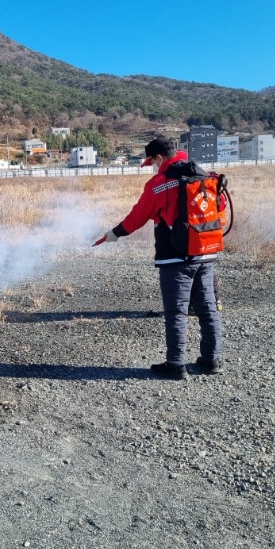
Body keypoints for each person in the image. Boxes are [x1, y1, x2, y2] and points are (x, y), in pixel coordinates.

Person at [97, 137, 223, 380]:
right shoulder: (204, 175)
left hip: (175, 257)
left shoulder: (160, 183)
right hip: (206, 251)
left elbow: (138, 216)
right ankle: (212, 360)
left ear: (159, 158)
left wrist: (115, 233)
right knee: (207, 307)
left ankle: (175, 365)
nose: (153, 167)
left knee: (176, 311)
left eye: (152, 162)